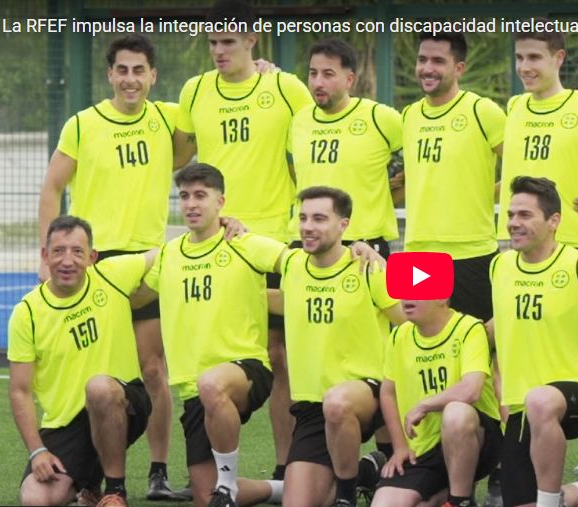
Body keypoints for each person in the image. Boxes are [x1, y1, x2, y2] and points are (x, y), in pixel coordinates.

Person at [172, 0, 313, 478]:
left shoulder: (286, 87)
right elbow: (180, 155)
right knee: (210, 353)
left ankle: (286, 467)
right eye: (213, 42)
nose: (219, 50)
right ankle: (210, 469)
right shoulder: (194, 90)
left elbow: (314, 143)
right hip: (215, 241)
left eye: (229, 41)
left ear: (252, 40)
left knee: (282, 356)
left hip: (272, 237)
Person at [37, 34, 176, 500]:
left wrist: (263, 70)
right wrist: (46, 256)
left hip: (148, 262)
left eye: (139, 70)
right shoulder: (82, 125)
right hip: (94, 261)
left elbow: (218, 108)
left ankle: (158, 473)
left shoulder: (169, 119)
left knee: (152, 369)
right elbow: (52, 187)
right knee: (96, 376)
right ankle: (93, 477)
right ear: (110, 74)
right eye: (122, 70)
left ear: (153, 75)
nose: (130, 79)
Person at [502, 24, 578, 482]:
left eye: (534, 57)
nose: (525, 67)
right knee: (518, 352)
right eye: (519, 58)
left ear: (559, 58)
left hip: (575, 248)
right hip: (522, 253)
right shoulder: (513, 108)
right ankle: (516, 457)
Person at [142, 164, 287, 507]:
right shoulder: (169, 254)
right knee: (204, 498)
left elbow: (299, 263)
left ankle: (226, 486)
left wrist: (359, 249)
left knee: (211, 384)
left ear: (220, 202)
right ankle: (283, 489)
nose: (191, 204)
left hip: (246, 369)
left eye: (200, 196)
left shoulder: (244, 243)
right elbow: (136, 296)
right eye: (184, 196)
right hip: (195, 389)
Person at [490, 176, 578, 507]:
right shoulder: (500, 266)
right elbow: (500, 321)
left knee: (541, 400)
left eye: (525, 215)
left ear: (554, 221)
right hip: (524, 407)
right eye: (511, 214)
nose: (513, 223)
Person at [269, 186, 405, 507]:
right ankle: (366, 472)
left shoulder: (368, 266)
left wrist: (405, 384)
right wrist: (229, 224)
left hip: (371, 392)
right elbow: (245, 246)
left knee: (338, 401)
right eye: (303, 218)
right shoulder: (292, 265)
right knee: (299, 503)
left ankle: (346, 497)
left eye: (319, 218)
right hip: (314, 405)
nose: (307, 226)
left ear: (344, 225)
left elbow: (415, 320)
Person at [9, 216, 154, 507]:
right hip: (66, 424)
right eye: (58, 251)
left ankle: (115, 492)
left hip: (124, 400)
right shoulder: (27, 313)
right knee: (37, 499)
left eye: (77, 251)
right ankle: (89, 487)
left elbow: (166, 253)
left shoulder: (112, 275)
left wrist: (223, 226)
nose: (67, 260)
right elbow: (19, 391)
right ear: (45, 255)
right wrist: (37, 451)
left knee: (99, 388)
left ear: (92, 257)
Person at [400, 31, 505, 322]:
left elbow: (522, 167)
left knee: (478, 339)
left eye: (438, 61)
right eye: (422, 59)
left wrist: (490, 191)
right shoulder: (408, 115)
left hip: (472, 252)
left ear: (459, 68)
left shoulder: (482, 111)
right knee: (421, 339)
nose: (427, 68)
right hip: (417, 253)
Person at [371, 299, 502, 507]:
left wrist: (425, 405)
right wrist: (400, 447)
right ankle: (443, 495)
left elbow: (471, 390)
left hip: (476, 439)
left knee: (456, 413)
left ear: (442, 298)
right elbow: (387, 393)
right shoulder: (399, 335)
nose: (407, 298)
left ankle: (459, 501)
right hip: (423, 447)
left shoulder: (469, 328)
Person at [288, 38, 402, 258]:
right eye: (313, 73)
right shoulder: (299, 121)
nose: (318, 82)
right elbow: (294, 173)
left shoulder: (380, 117)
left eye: (328, 74)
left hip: (363, 244)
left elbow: (420, 161)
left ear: (350, 79)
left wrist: (391, 195)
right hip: (305, 242)